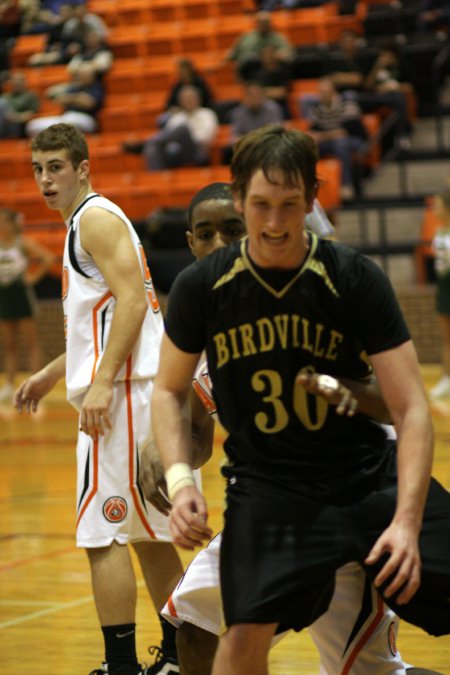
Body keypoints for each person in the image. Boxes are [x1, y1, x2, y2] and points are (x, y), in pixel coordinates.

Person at [150, 124, 450, 675]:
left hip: (365, 474)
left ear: (311, 200)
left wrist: (406, 522)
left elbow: (409, 409)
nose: (272, 223)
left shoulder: (353, 278)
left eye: (288, 205)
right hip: (272, 490)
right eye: (260, 205)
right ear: (242, 197)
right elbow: (167, 392)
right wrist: (180, 479)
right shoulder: (202, 289)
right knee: (235, 641)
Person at [13, 123, 184, 675]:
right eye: (38, 169)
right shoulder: (83, 225)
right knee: (147, 537)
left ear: (83, 167)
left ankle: (122, 667)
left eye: (56, 167)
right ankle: (183, 655)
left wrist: (103, 382)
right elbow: (104, 323)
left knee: (103, 534)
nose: (45, 179)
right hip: (133, 392)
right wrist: (48, 374)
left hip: (125, 398)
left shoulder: (94, 218)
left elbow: (133, 304)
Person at [0, 207, 54, 402]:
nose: (1, 225)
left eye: (5, 221)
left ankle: (36, 383)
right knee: (9, 344)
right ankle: (8, 385)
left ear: (14, 223)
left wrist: (33, 277)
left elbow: (48, 258)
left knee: (31, 342)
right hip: (4, 296)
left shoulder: (22, 243)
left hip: (21, 294)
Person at [303, 76, 368, 201]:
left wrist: (323, 135)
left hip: (355, 141)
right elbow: (314, 132)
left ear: (333, 91)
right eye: (320, 92)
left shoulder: (347, 104)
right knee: (308, 146)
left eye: (325, 92)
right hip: (330, 143)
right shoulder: (316, 109)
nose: (322, 95)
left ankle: (346, 185)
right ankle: (310, 185)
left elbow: (347, 131)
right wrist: (318, 136)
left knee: (341, 143)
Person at [142, 85, 218, 172]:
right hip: (177, 151)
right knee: (152, 148)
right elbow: (167, 138)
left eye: (191, 97)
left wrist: (186, 135)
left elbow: (205, 137)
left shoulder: (206, 114)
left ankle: (146, 142)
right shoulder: (177, 117)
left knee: (183, 129)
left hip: (197, 150)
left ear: (198, 99)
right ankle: (157, 180)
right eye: (185, 98)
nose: (188, 101)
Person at [26, 62, 104, 137]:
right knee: (33, 126)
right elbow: (52, 94)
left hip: (86, 119)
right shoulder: (75, 87)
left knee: (71, 122)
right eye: (80, 74)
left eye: (85, 74)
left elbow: (89, 103)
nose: (81, 77)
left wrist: (69, 98)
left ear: (92, 75)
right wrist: (76, 96)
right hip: (66, 117)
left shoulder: (96, 86)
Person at [224, 11, 294, 83]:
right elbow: (231, 55)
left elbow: (288, 54)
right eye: (260, 22)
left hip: (272, 72)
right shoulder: (246, 37)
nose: (263, 24)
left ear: (270, 23)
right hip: (250, 72)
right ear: (256, 23)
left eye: (265, 22)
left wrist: (273, 56)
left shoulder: (278, 38)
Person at [223, 80, 284, 163]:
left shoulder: (273, 109)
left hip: (269, 147)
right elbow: (234, 137)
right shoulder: (238, 112)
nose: (254, 98)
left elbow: (276, 133)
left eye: (258, 94)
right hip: (247, 149)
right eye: (251, 95)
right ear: (245, 96)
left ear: (263, 95)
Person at [429, 189, 450, 400]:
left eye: (437, 205)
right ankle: (447, 379)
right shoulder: (438, 232)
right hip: (444, 288)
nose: (434, 209)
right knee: (446, 338)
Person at [0, 70, 40, 138]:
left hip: (17, 126)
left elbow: (32, 114)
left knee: (2, 103)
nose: (16, 82)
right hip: (4, 123)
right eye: (14, 80)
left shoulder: (30, 95)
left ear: (25, 82)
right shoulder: (5, 96)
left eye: (19, 80)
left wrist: (15, 117)